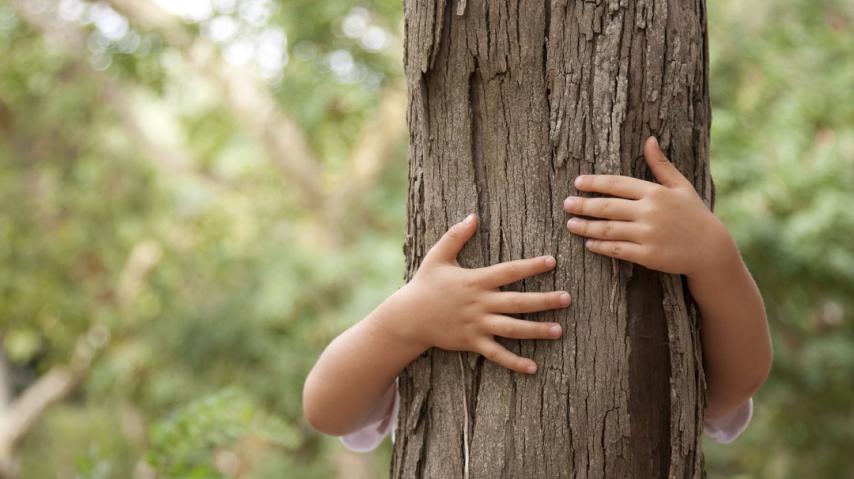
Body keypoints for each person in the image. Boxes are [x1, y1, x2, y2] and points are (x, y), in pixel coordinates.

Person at [302, 136, 773, 452]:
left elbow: (728, 390)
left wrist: (716, 260)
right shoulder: (439, 331)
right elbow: (328, 410)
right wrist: (404, 322)